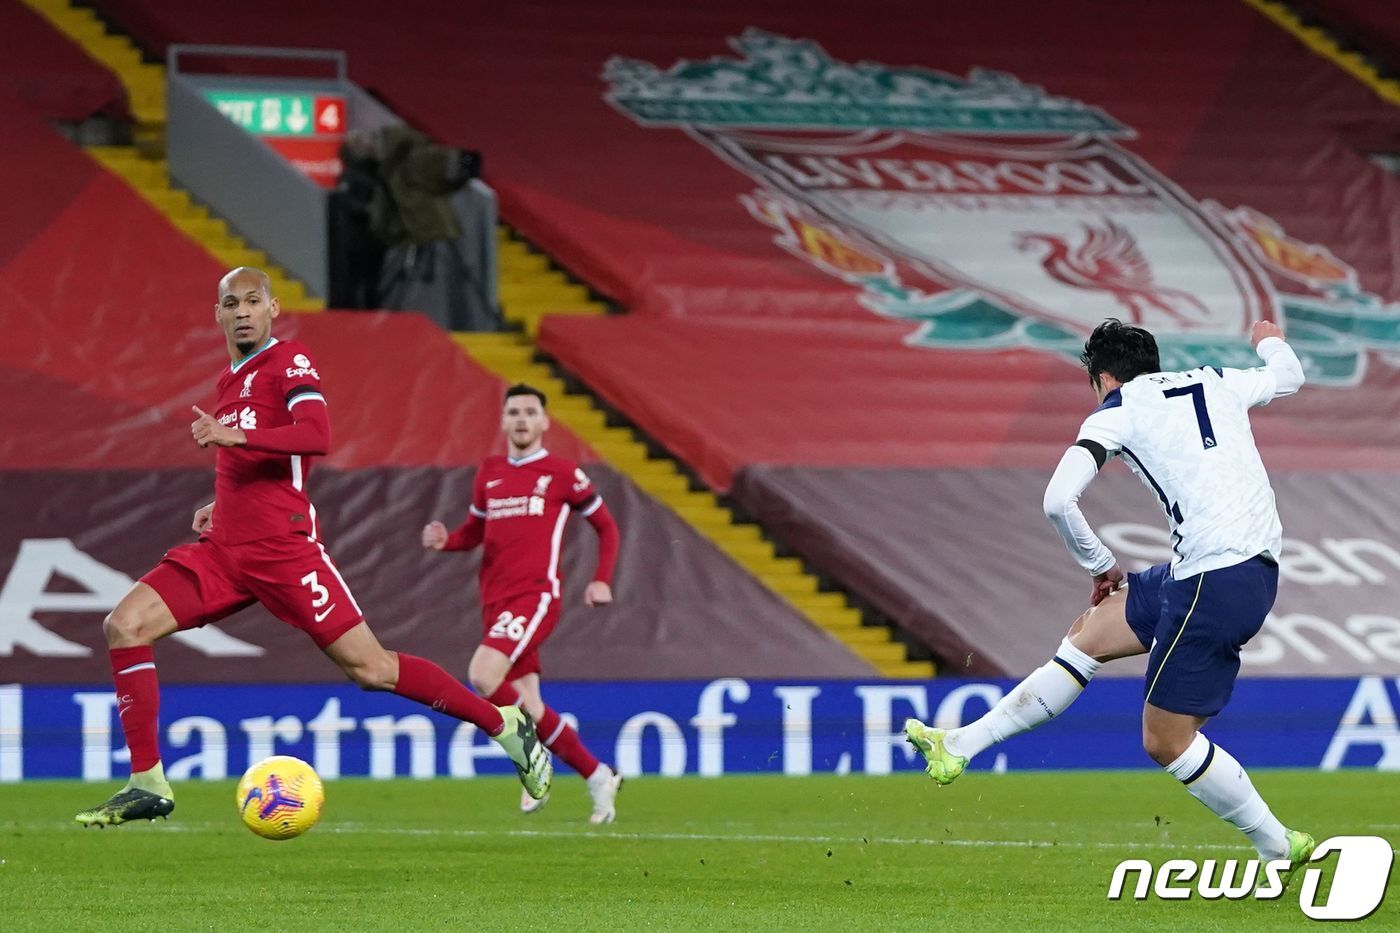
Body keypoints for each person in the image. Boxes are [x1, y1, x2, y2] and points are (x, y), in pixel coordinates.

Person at [75, 267, 550, 827]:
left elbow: (315, 435)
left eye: (254, 301)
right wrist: (221, 500)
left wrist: (235, 436)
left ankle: (504, 725)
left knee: (372, 669)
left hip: (283, 550)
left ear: (273, 308)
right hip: (224, 551)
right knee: (124, 625)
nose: (244, 311)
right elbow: (257, 463)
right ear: (218, 315)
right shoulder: (230, 380)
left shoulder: (290, 361)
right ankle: (147, 782)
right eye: (232, 303)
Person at [904, 318, 1315, 870]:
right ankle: (958, 746)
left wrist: (1099, 564)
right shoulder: (1215, 379)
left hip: (1215, 578)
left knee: (1166, 741)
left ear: (1102, 378)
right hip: (1223, 569)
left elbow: (1057, 501)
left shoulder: (1117, 409)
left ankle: (1276, 843)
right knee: (1092, 632)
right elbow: (1289, 375)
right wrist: (1267, 337)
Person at [422, 383, 623, 823]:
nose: (521, 419)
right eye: (514, 412)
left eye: (530, 412)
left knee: (482, 674)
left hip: (535, 595)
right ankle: (597, 775)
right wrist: (446, 541)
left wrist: (601, 580)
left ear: (545, 422)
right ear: (503, 420)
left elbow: (607, 526)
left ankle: (530, 754)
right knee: (529, 706)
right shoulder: (490, 472)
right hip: (494, 601)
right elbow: (475, 531)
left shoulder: (562, 473)